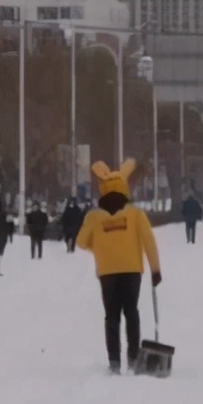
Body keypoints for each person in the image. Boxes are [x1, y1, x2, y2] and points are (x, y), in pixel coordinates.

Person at [77, 158, 162, 374]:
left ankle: (114, 361)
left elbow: (80, 241)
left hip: (107, 272)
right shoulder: (135, 215)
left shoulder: (94, 217)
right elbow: (148, 240)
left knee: (111, 316)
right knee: (131, 313)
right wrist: (155, 269)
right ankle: (133, 358)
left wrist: (101, 249)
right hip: (132, 270)